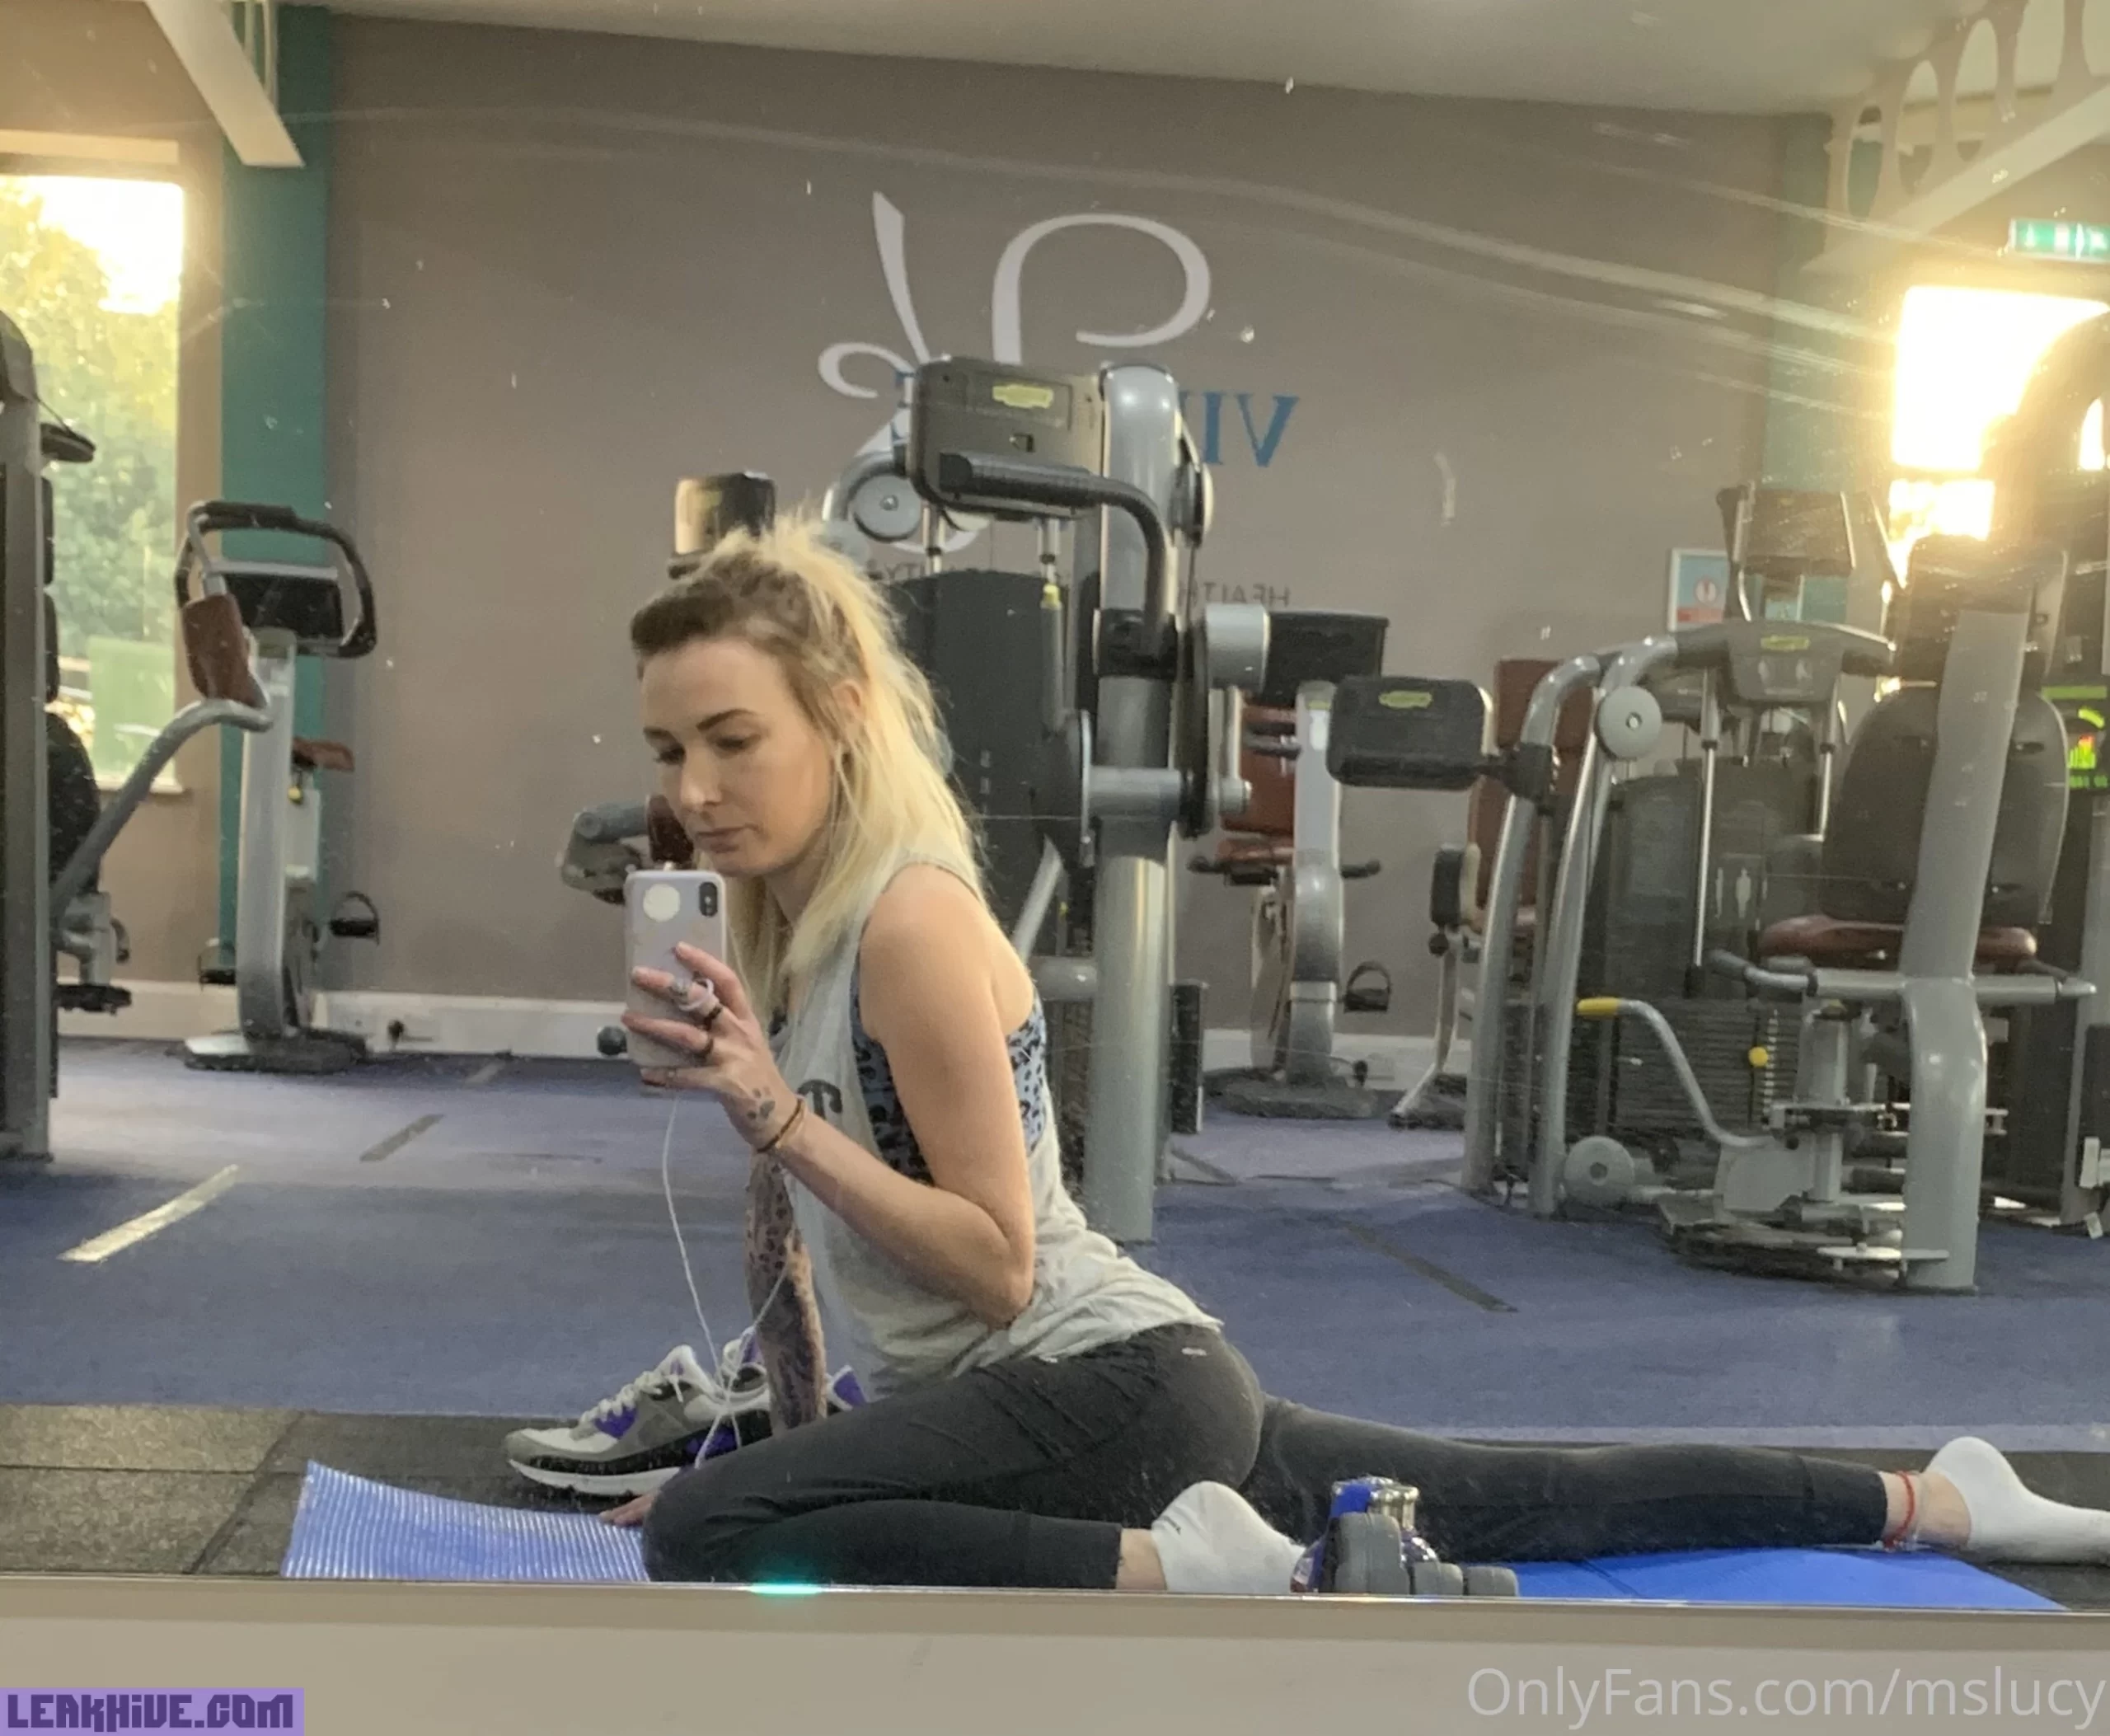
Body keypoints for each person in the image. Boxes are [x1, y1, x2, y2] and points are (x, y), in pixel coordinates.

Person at [546, 517, 2110, 1594]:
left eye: (733, 740)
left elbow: (1002, 1267)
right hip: (1099, 1400)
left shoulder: (912, 923)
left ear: (837, 715)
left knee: (703, 1535)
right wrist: (806, 1452)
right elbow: (787, 1224)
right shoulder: (791, 925)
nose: (694, 789)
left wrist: (776, 1130)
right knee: (1545, 1499)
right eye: (670, 750)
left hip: (1106, 1387)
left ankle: (1199, 1571)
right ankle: (1938, 1497)